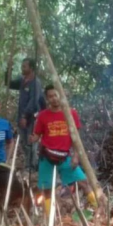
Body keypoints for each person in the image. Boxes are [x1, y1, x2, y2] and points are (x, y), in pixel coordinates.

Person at [29, 85, 98, 216]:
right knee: (47, 189)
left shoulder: (71, 113)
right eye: (50, 96)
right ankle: (50, 218)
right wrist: (33, 138)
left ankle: (98, 208)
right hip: (47, 156)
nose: (54, 99)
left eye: (56, 95)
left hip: (65, 156)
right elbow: (37, 135)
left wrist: (76, 156)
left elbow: (76, 138)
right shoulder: (43, 116)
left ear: (62, 95)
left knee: (83, 182)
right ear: (47, 99)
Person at [5, 58, 46, 174]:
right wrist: (8, 69)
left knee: (31, 141)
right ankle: (32, 164)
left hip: (31, 117)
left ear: (31, 68)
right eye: (22, 66)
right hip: (21, 116)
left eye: (24, 67)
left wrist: (25, 116)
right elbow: (9, 84)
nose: (22, 69)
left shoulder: (35, 82)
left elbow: (34, 101)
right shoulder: (23, 80)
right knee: (24, 142)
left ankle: (31, 167)